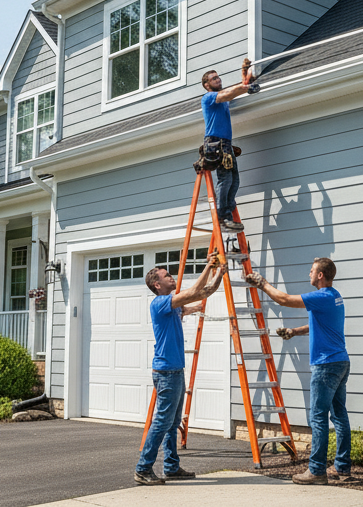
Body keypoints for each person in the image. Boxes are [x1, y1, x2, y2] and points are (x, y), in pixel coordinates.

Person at [246, 258, 349, 485]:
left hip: (325, 365)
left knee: (319, 417)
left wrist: (262, 283)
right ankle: (342, 466)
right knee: (339, 415)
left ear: (321, 275)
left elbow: (283, 299)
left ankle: (316, 471)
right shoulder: (334, 296)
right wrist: (294, 331)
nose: (309, 274)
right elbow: (319, 325)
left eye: (312, 271)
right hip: (341, 362)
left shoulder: (320, 297)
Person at [135, 255, 226, 485]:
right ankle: (143, 468)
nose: (172, 277)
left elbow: (203, 294)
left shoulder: (174, 306)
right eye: (167, 275)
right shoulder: (160, 303)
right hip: (166, 373)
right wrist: (208, 266)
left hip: (175, 371)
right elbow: (195, 290)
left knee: (173, 423)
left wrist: (219, 272)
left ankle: (171, 467)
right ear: (157, 284)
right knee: (162, 422)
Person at [200, 58, 258, 234]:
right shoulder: (209, 97)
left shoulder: (222, 97)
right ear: (206, 85)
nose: (218, 79)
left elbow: (234, 90)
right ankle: (222, 216)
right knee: (224, 179)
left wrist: (245, 74)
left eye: (218, 77)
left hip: (225, 143)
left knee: (234, 179)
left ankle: (228, 206)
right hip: (214, 142)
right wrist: (246, 87)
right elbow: (229, 94)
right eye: (213, 78)